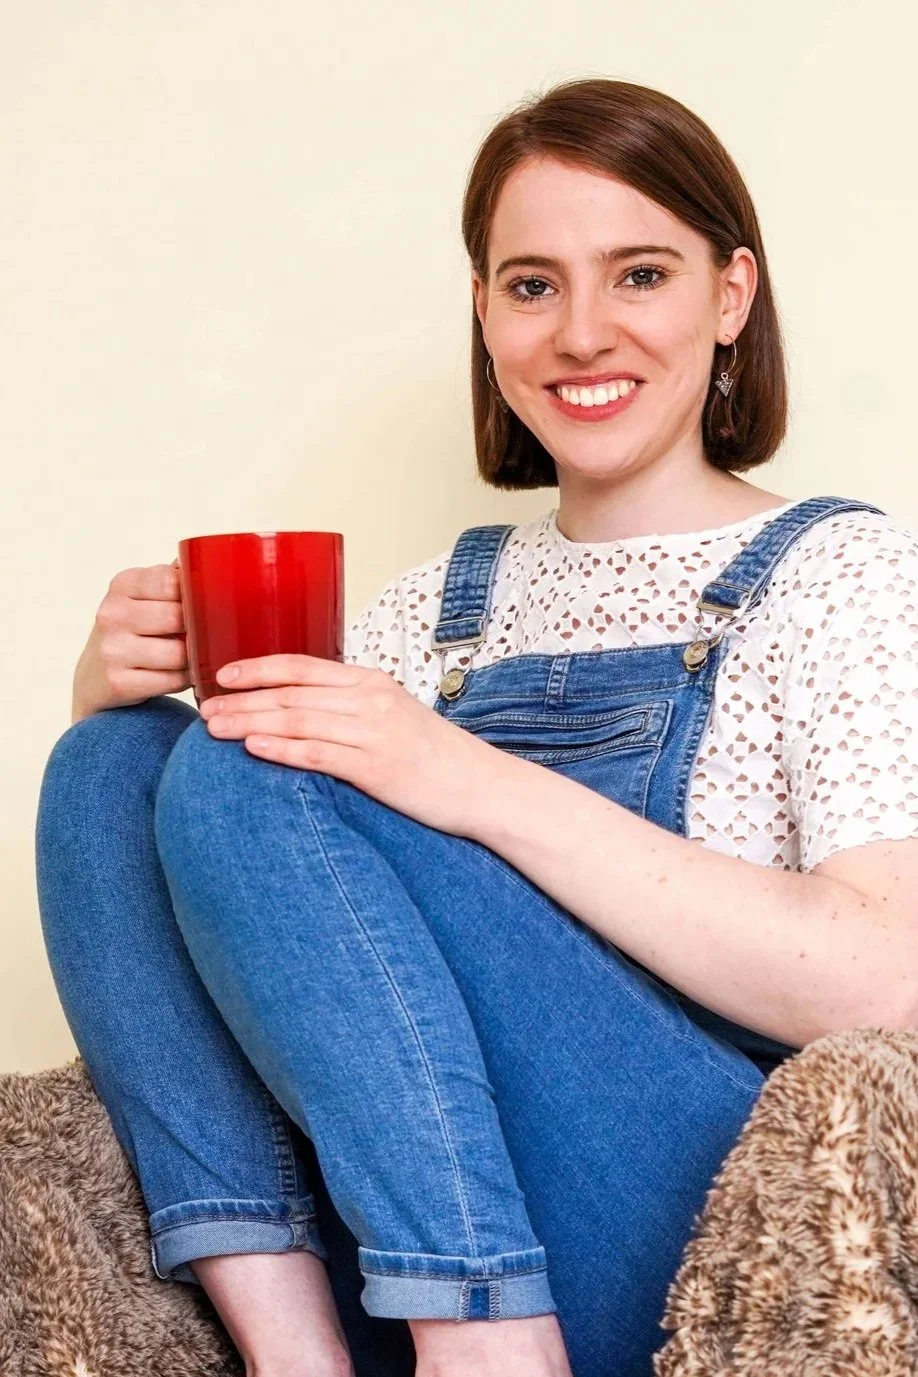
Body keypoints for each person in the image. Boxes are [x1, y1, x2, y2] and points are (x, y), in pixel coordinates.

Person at [34, 76, 918, 1377]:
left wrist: (459, 777)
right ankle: (292, 1355)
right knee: (115, 761)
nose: (578, 332)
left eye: (637, 274)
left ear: (728, 296)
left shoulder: (838, 577)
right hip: (389, 1234)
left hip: (675, 1228)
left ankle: (487, 1349)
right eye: (530, 285)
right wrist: (113, 687)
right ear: (485, 314)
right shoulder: (427, 613)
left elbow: (882, 983)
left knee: (245, 756)